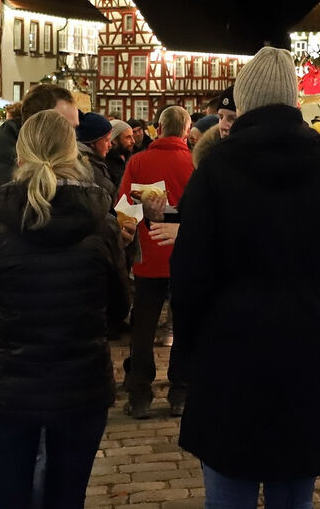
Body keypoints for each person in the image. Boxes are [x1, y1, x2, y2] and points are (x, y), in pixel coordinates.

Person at [171, 46, 320, 504]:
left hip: (230, 354)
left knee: (229, 492)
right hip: (309, 348)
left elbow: (190, 274)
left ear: (243, 103)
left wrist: (190, 348)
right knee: (293, 492)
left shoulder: (216, 169)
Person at [0, 110, 129, 508]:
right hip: (80, 384)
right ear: (75, 156)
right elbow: (120, 306)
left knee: (10, 497)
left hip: (9, 385)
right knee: (67, 498)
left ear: (19, 158)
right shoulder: (101, 224)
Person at [116, 105, 194, 419]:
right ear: (186, 131)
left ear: (158, 128)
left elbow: (125, 213)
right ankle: (180, 392)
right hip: (186, 257)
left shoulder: (138, 161)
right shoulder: (194, 163)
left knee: (143, 328)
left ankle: (139, 394)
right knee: (186, 326)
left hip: (148, 258)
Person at [0, 85, 77, 213]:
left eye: (74, 129)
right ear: (35, 124)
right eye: (63, 127)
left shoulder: (82, 176)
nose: (72, 137)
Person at [77, 112, 117, 199]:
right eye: (106, 140)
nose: (110, 145)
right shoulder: (86, 167)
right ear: (92, 142)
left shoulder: (95, 160)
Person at [106, 119, 135, 189]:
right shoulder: (107, 164)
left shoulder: (126, 157)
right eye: (128, 137)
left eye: (132, 136)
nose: (133, 141)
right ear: (114, 140)